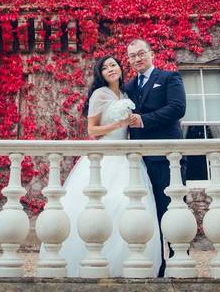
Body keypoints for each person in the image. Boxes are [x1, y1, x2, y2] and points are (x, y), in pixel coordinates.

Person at [47, 55, 162, 277]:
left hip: (127, 158)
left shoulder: (127, 94)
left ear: (120, 68)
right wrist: (117, 124)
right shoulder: (100, 94)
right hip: (106, 157)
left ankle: (129, 262)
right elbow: (92, 131)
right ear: (100, 73)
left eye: (114, 65)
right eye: (105, 67)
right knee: (105, 203)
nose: (110, 69)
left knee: (131, 206)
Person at [125, 38, 187, 278]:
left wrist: (144, 120)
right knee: (145, 213)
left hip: (165, 158)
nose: (137, 59)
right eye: (132, 56)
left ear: (151, 54)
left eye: (141, 53)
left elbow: (177, 108)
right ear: (129, 61)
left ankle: (177, 260)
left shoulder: (169, 78)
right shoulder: (128, 87)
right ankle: (152, 262)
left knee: (169, 210)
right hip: (138, 161)